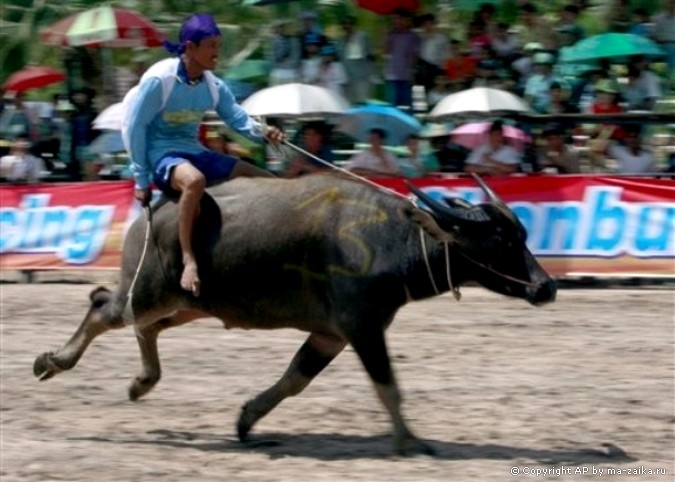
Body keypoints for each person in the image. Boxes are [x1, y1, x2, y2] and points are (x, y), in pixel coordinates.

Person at [125, 13, 284, 297]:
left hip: (194, 150)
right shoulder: (161, 81)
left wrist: (264, 132)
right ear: (190, 47)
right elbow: (136, 127)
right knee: (194, 181)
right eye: (211, 46)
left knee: (269, 181)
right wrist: (141, 179)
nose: (216, 53)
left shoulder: (213, 85)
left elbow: (237, 118)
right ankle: (189, 259)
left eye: (218, 45)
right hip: (162, 154)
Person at [337, 15, 374, 105]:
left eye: (349, 23)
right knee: (348, 105)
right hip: (346, 79)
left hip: (361, 78)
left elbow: (371, 56)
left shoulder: (363, 37)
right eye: (344, 24)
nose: (347, 26)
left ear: (354, 25)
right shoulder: (340, 41)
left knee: (361, 104)